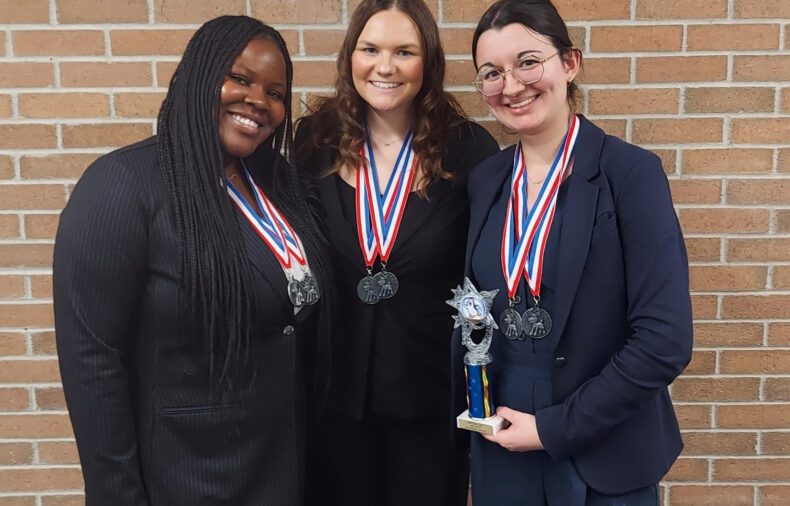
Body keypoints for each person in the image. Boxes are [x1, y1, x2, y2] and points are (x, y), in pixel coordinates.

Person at [53, 16, 331, 506]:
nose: (259, 103)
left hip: (285, 467)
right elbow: (92, 363)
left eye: (275, 92)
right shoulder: (122, 185)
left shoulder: (277, 183)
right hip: (190, 479)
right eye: (240, 79)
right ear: (198, 75)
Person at [450, 0, 693, 504]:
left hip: (602, 448)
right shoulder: (485, 181)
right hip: (501, 442)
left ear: (569, 63)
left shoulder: (630, 174)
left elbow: (664, 340)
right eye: (491, 73)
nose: (511, 85)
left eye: (528, 62)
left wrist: (553, 428)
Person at [293, 0, 500, 504]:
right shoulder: (312, 141)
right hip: (332, 396)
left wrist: (484, 390)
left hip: (430, 399)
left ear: (426, 62)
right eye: (370, 49)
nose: (384, 66)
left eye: (403, 51)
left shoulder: (469, 151)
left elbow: (483, 274)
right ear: (351, 57)